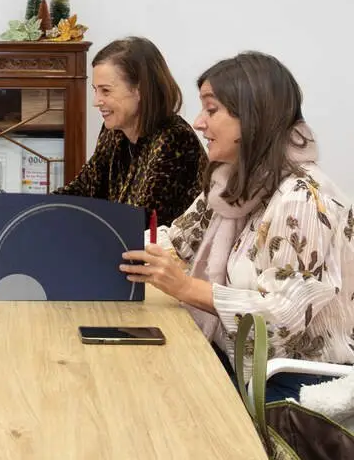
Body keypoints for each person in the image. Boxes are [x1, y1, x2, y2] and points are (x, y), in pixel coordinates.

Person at [121, 52, 354, 402]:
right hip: (238, 359)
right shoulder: (229, 184)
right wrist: (107, 241)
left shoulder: (301, 198)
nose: (198, 122)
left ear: (253, 116)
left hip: (292, 382)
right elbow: (176, 240)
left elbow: (280, 320)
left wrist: (186, 287)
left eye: (212, 110)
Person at [54, 37, 206, 226]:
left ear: (139, 89)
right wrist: (33, 209)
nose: (96, 101)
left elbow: (140, 223)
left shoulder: (175, 139)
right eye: (96, 90)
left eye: (106, 91)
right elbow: (84, 189)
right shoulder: (114, 131)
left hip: (164, 253)